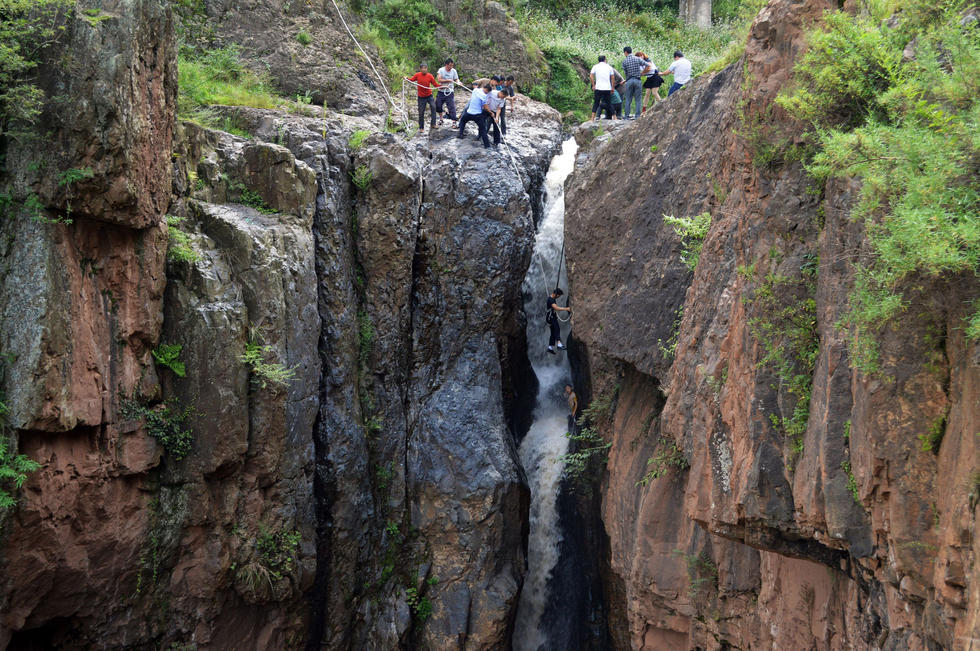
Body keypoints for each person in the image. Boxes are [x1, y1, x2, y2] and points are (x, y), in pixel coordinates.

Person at [457, 83, 494, 149]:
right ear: (486, 90)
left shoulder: (475, 90)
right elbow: (485, 107)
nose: (487, 93)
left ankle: (460, 134)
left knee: (462, 121)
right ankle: (487, 145)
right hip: (477, 115)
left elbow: (475, 86)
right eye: (487, 92)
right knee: (483, 129)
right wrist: (490, 112)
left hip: (469, 113)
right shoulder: (484, 95)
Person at [405, 62, 438, 132]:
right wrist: (406, 78)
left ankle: (433, 124)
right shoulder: (417, 75)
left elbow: (435, 85)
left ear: (427, 69)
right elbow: (411, 80)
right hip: (421, 97)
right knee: (421, 112)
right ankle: (421, 127)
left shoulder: (430, 76)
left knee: (433, 107)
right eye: (422, 68)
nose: (424, 69)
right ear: (420, 69)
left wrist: (443, 87)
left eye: (425, 68)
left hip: (429, 95)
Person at [621, 46, 648, 119]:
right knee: (638, 99)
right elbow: (647, 65)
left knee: (628, 99)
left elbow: (626, 73)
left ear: (626, 52)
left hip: (629, 81)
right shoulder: (638, 59)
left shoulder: (624, 61)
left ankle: (626, 116)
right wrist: (643, 72)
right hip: (637, 80)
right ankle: (637, 116)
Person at [589, 55, 616, 122]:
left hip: (598, 87)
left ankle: (592, 118)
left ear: (598, 60)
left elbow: (591, 76)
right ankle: (615, 117)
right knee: (609, 103)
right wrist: (612, 87)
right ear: (605, 60)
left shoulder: (595, 66)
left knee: (596, 102)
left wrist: (593, 85)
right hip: (607, 88)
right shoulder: (609, 67)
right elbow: (612, 78)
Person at [436, 58, 460, 128]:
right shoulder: (441, 70)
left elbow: (456, 79)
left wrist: (458, 82)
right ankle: (441, 119)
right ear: (446, 65)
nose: (451, 67)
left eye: (452, 66)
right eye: (450, 65)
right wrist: (448, 80)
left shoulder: (454, 71)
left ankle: (454, 122)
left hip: (450, 92)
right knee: (438, 106)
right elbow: (439, 79)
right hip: (441, 91)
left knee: (451, 107)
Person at [546, 288, 571, 354]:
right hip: (551, 318)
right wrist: (566, 309)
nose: (558, 297)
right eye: (559, 296)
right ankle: (559, 345)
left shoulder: (552, 299)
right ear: (556, 294)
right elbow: (556, 308)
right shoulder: (551, 300)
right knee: (557, 329)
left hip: (550, 317)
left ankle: (550, 347)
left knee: (553, 332)